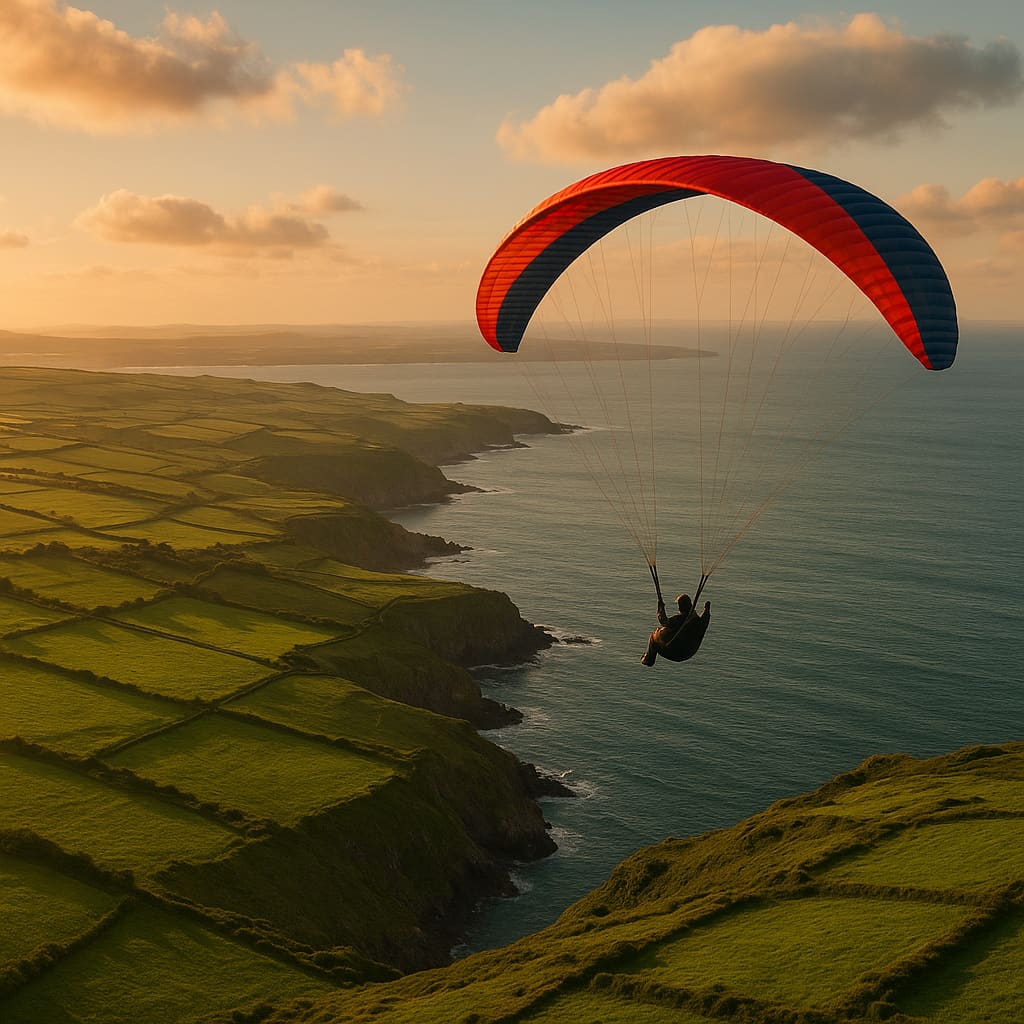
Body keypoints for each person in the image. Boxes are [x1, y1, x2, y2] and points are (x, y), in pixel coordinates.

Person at [641, 593, 711, 666]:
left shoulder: (680, 619)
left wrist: (661, 607)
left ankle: (649, 659)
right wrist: (706, 610)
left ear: (680, 608)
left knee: (654, 636)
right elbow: (705, 618)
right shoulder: (698, 621)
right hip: (688, 653)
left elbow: (664, 621)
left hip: (674, 652)